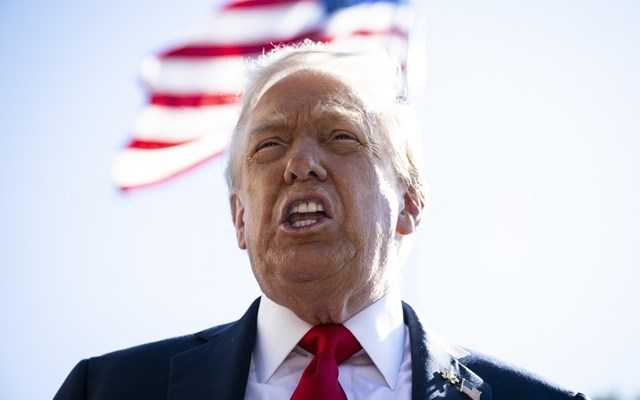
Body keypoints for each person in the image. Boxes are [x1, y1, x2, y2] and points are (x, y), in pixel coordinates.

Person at [54, 43, 589, 400]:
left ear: (410, 202)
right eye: (269, 145)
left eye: (341, 136)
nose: (300, 164)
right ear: (239, 217)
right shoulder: (107, 389)